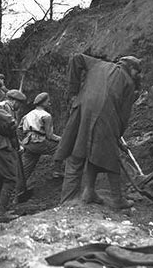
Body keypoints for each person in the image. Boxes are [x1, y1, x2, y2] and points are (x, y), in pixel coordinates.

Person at [56, 54, 143, 209]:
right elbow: (123, 116)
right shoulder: (129, 83)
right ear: (130, 68)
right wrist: (117, 138)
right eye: (137, 72)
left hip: (82, 111)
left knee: (77, 156)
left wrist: (74, 92)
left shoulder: (98, 64)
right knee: (111, 156)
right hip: (107, 118)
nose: (137, 76)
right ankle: (117, 200)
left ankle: (77, 197)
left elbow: (76, 58)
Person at [0, 89, 26, 223]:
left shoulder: (10, 109)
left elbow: (10, 132)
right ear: (14, 101)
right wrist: (10, 118)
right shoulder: (4, 106)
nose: (20, 106)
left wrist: (17, 146)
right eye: (19, 103)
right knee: (10, 178)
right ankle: (0, 213)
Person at [17, 92, 63, 193]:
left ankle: (19, 191)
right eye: (47, 101)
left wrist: (22, 142)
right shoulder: (46, 116)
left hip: (28, 143)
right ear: (43, 103)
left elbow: (19, 130)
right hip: (40, 141)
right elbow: (50, 136)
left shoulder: (27, 115)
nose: (49, 103)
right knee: (61, 147)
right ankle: (57, 171)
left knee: (26, 168)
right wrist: (63, 139)